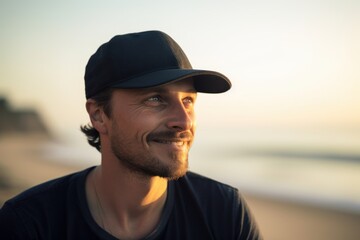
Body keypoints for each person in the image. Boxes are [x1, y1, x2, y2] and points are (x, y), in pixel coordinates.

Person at [0, 30, 262, 239]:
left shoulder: (223, 212)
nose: (183, 121)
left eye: (188, 101)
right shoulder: (30, 222)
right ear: (99, 115)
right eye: (156, 99)